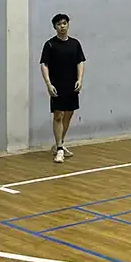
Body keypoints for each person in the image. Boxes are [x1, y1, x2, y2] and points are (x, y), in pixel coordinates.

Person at [40, 13, 86, 163]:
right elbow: (44, 64)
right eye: (59, 24)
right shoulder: (50, 45)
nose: (62, 26)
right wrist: (48, 84)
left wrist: (79, 79)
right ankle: (59, 148)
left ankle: (59, 143)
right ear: (55, 27)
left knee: (68, 114)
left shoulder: (75, 44)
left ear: (68, 25)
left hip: (71, 85)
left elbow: (80, 62)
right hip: (57, 85)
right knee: (58, 115)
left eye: (64, 23)